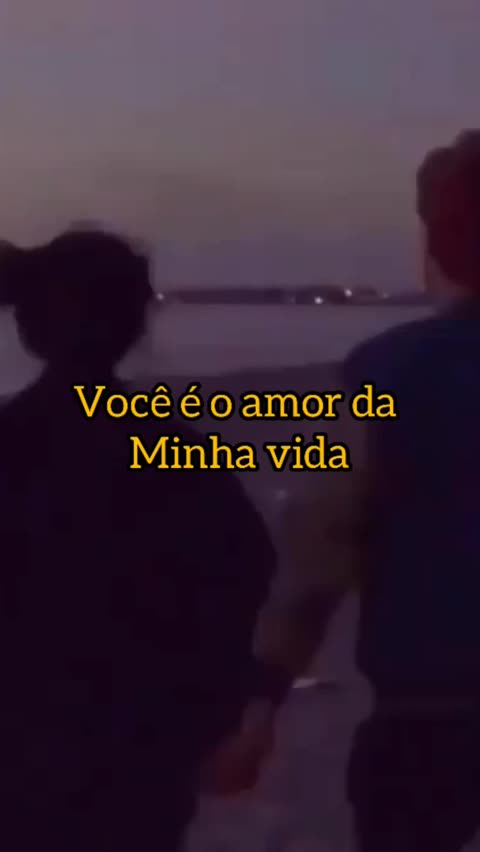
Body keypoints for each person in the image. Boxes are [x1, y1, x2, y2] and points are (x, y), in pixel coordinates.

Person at [0, 228, 279, 851]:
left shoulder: (11, 443)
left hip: (19, 747)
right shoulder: (171, 448)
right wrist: (226, 712)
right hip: (144, 748)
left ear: (29, 328)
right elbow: (242, 578)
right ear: (133, 325)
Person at [254, 130, 480, 852]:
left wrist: (262, 700)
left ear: (441, 248)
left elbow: (319, 555)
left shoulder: (388, 371)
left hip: (428, 720)